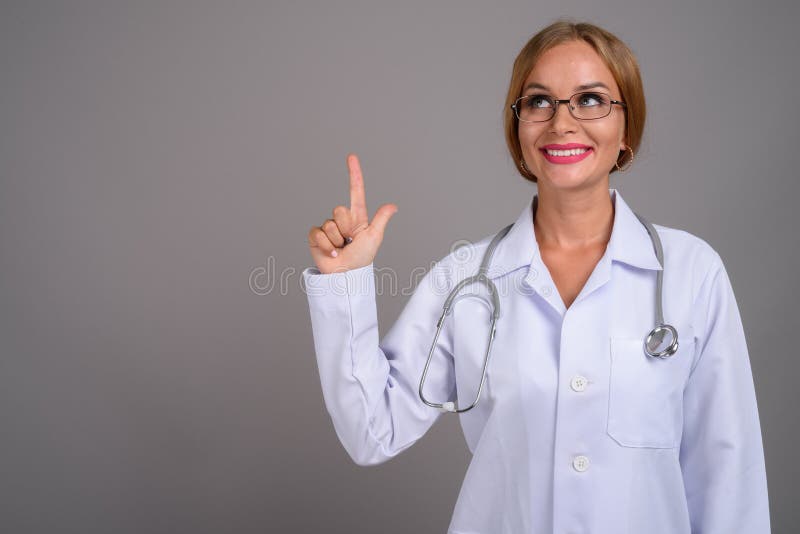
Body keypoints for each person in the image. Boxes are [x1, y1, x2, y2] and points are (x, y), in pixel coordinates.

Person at [303, 19, 770, 534]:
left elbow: (729, 479)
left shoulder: (692, 273)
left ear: (626, 128)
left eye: (591, 99)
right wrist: (345, 284)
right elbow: (373, 430)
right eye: (539, 101)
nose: (562, 122)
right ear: (518, 126)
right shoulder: (464, 279)